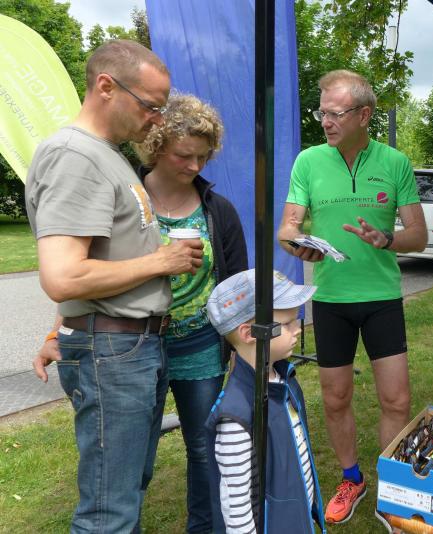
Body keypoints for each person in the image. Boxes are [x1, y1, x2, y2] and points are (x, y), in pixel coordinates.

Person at [25, 40, 204, 532]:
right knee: (109, 510)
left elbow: (95, 260)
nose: (157, 118)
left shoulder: (106, 155)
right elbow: (63, 276)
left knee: (125, 491)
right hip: (112, 352)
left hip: (129, 348)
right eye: (150, 105)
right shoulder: (74, 157)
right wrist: (160, 261)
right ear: (106, 86)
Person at [277, 69, 427, 523]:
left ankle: (392, 487)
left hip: (381, 298)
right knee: (336, 397)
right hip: (331, 300)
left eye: (335, 113)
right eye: (321, 112)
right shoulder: (308, 162)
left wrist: (387, 239)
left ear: (364, 115)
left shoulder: (395, 162)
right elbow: (287, 227)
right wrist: (297, 244)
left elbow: (419, 236)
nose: (325, 121)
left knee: (396, 400)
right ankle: (351, 478)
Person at [133, 93, 248, 533]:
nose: (195, 165)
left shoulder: (218, 210)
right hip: (136, 344)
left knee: (204, 449)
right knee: (135, 454)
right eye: (184, 155)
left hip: (200, 346)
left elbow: (237, 284)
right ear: (156, 145)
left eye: (203, 156)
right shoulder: (127, 198)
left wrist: (238, 345)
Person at [204, 269, 326, 533]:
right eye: (287, 324)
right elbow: (236, 506)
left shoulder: (283, 379)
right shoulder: (236, 416)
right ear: (250, 333)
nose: (298, 329)